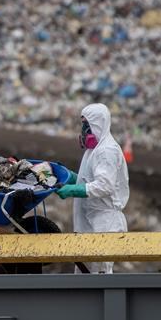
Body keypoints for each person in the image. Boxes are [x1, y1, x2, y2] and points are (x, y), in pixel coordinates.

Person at [55, 103, 129, 273]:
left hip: (104, 223)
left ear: (98, 124)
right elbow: (90, 179)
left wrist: (72, 190)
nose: (83, 130)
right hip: (91, 221)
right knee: (84, 276)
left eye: (86, 125)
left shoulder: (107, 151)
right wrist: (70, 178)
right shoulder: (94, 151)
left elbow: (105, 186)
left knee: (99, 276)